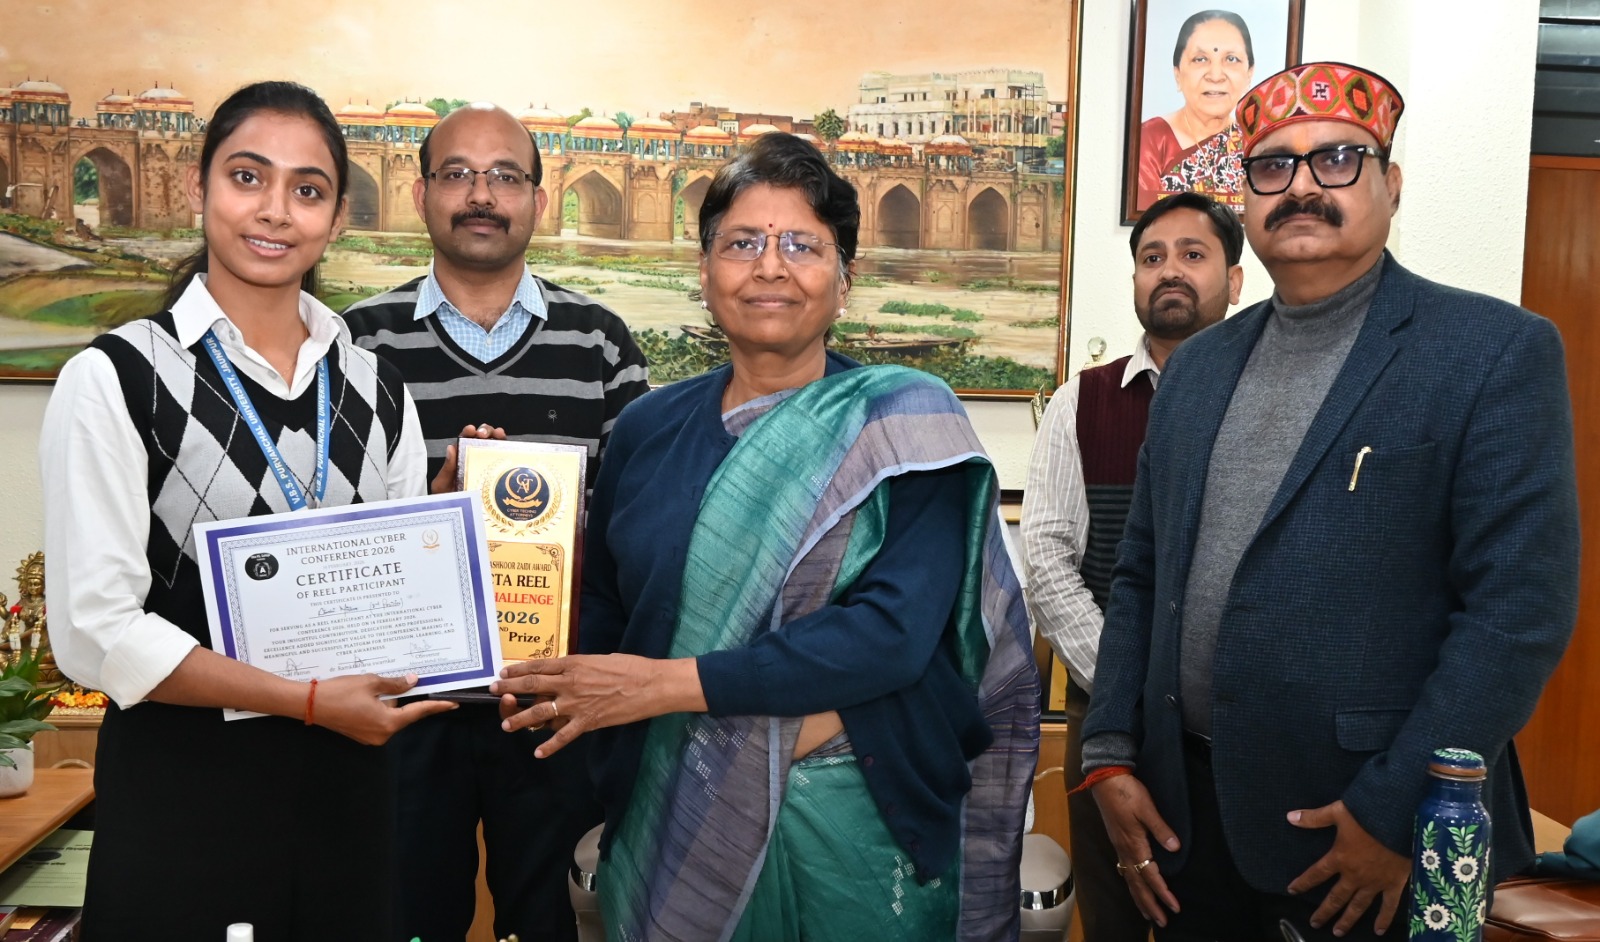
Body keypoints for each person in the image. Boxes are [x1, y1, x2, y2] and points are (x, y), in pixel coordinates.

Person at [488, 132, 1039, 941]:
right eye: (742, 243)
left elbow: (891, 635)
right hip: (671, 804)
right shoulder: (647, 428)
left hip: (856, 820)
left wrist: (660, 688)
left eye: (802, 246)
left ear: (845, 281)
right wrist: (508, 578)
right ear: (704, 272)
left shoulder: (904, 423)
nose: (770, 267)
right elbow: (606, 604)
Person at [1084, 61, 1580, 942]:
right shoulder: (1197, 367)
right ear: (1247, 198)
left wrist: (1396, 811)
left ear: (1392, 184)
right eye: (1273, 167)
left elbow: (1517, 615)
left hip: (1371, 834)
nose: (1303, 187)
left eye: (1339, 160)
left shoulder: (1491, 352)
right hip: (1189, 821)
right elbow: (1141, 576)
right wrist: (1109, 753)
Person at [38, 81, 455, 941]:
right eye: (247, 177)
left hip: (348, 798)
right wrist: (304, 700)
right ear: (198, 187)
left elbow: (396, 616)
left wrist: (438, 552)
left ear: (336, 217)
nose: (274, 211)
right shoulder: (118, 377)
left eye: (308, 189)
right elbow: (96, 632)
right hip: (185, 801)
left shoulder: (378, 388)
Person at [341, 102, 648, 942]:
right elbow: (331, 533)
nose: (482, 195)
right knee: (402, 916)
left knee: (555, 921)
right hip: (406, 708)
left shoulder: (599, 343)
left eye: (506, 176)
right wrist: (426, 514)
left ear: (539, 200)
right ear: (420, 194)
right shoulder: (356, 344)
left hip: (556, 706)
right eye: (458, 175)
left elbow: (634, 527)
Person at [1021, 191, 1242, 942]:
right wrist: (1130, 687)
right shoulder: (1081, 403)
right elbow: (1048, 561)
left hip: (1232, 728)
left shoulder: (1271, 404)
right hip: (1108, 720)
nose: (1169, 270)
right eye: (1152, 257)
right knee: (1114, 916)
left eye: (1192, 254)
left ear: (1234, 280)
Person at [1137, 9, 1256, 211]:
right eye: (1200, 59)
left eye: (1231, 59)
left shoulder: (1257, 146)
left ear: (1249, 74)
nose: (1216, 76)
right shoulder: (1150, 140)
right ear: (1177, 74)